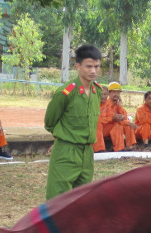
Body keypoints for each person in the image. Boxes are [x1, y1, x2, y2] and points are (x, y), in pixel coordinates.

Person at [44, 44, 103, 199]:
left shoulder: (97, 91)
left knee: (81, 200)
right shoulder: (66, 92)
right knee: (58, 199)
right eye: (88, 66)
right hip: (66, 151)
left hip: (87, 152)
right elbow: (50, 122)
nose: (93, 71)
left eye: (97, 66)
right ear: (78, 66)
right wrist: (63, 137)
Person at [93, 82, 136, 152]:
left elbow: (124, 117)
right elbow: (98, 119)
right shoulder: (99, 103)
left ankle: (125, 148)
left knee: (122, 124)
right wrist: (115, 119)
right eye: (114, 92)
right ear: (109, 94)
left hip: (107, 128)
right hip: (97, 130)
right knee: (100, 124)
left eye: (118, 93)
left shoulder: (114, 104)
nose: (116, 94)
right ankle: (99, 149)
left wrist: (120, 107)